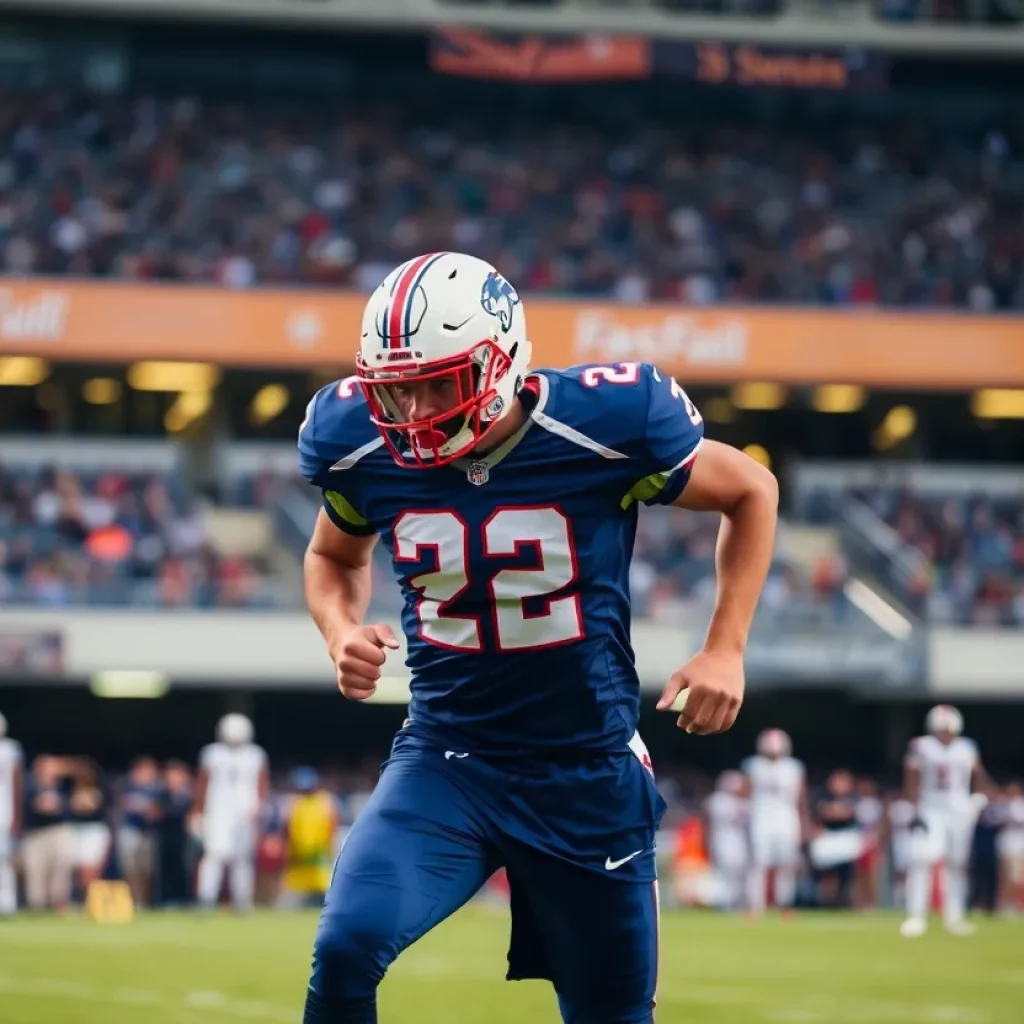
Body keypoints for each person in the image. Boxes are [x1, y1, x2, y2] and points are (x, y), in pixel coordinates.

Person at [297, 252, 778, 1024]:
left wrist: (727, 645)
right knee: (347, 946)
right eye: (395, 385)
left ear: (502, 362)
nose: (412, 409)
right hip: (447, 758)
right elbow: (331, 555)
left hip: (585, 768)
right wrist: (338, 628)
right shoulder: (355, 438)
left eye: (436, 382)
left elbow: (751, 488)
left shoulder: (608, 422)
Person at [901, 704, 991, 938]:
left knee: (957, 864)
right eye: (941, 729)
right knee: (922, 860)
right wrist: (915, 808)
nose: (946, 733)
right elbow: (912, 777)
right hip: (931, 809)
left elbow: (978, 774)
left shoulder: (967, 747)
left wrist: (978, 798)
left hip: (959, 810)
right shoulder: (922, 746)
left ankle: (955, 916)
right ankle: (916, 916)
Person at [193, 713, 269, 913]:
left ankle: (242, 900)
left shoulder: (255, 754)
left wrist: (259, 807)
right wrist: (198, 811)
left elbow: (261, 784)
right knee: (215, 855)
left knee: (242, 857)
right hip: (218, 811)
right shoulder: (212, 753)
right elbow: (203, 783)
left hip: (245, 812)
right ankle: (206, 898)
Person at [742, 728, 809, 917]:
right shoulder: (753, 765)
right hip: (760, 818)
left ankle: (785, 904)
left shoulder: (794, 767)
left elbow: (801, 800)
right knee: (758, 864)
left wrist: (804, 826)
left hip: (787, 819)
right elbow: (744, 793)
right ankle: (755, 906)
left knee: (786, 864)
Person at [282, 767, 339, 909]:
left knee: (326, 892)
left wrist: (329, 847)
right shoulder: (294, 802)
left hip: (320, 854)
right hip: (299, 855)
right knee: (294, 896)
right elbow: (288, 827)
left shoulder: (325, 800)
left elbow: (332, 824)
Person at [0, 712, 23, 916]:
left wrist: (16, 815)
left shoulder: (9, 749)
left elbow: (16, 784)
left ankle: (6, 902)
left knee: (5, 857)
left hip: (3, 810)